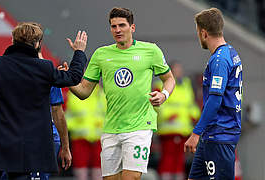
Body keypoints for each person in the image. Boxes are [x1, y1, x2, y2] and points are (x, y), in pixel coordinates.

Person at [69, 7, 175, 180]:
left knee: (130, 177)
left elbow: (169, 79)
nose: (117, 30)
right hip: (111, 128)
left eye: (122, 25)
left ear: (132, 28)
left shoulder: (151, 51)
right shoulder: (101, 54)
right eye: (113, 26)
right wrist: (68, 80)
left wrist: (164, 95)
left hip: (139, 126)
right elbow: (83, 92)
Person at [0, 22, 88, 180]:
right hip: (26, 150)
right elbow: (73, 78)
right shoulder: (44, 68)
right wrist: (79, 52)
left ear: (13, 40)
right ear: (38, 44)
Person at [184, 8, 243, 180]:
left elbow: (215, 100)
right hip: (210, 136)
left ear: (203, 33)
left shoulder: (220, 60)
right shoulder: (231, 53)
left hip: (220, 136)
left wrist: (196, 133)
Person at [153, 62, 201, 180]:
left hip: (183, 131)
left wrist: (195, 115)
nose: (180, 72)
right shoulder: (160, 85)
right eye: (177, 69)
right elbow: (157, 105)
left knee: (179, 161)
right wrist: (169, 115)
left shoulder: (186, 85)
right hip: (168, 131)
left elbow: (190, 105)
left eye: (180, 69)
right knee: (167, 160)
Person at [66, 84, 106, 180]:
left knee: (98, 173)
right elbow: (68, 117)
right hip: (80, 139)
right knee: (81, 173)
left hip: (99, 140)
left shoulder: (102, 94)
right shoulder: (74, 94)